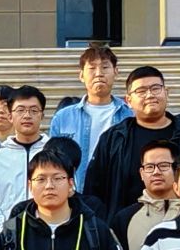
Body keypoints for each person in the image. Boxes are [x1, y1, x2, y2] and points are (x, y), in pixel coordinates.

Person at [83, 66, 180, 216]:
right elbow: (94, 189)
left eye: (155, 88)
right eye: (141, 91)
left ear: (166, 92)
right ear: (129, 100)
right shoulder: (114, 138)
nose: (149, 95)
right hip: (123, 224)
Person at [47, 43, 131, 190]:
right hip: (76, 193)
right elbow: (52, 161)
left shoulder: (129, 115)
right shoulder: (63, 118)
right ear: (81, 75)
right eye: (92, 68)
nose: (99, 73)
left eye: (105, 67)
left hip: (118, 192)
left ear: (116, 72)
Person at [111, 140, 180, 250]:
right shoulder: (124, 219)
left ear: (177, 170)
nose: (156, 172)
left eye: (163, 165)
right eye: (149, 167)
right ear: (141, 173)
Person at [0, 85, 51, 224]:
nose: (27, 115)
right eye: (20, 110)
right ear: (10, 116)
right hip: (7, 232)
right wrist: (6, 229)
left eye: (34, 110)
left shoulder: (55, 152)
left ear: (42, 115)